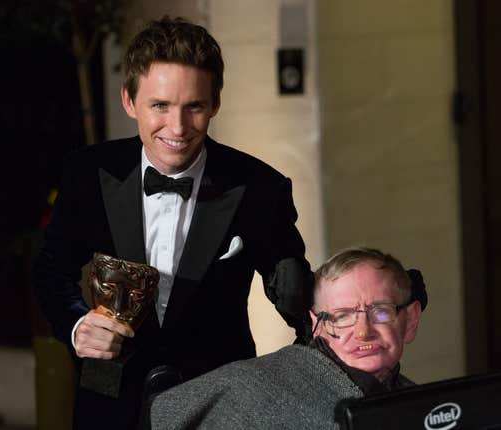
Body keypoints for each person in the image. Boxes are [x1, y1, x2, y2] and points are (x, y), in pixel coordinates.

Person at [32, 16, 313, 428]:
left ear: (215, 103)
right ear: (130, 101)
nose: (178, 128)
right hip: (109, 401)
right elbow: (49, 270)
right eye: (159, 105)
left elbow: (295, 292)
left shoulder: (260, 188)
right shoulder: (87, 172)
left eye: (194, 107)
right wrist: (77, 324)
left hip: (220, 401)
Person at [150, 247, 427, 429]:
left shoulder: (430, 409)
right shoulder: (252, 388)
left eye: (380, 312)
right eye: (342, 316)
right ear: (316, 325)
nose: (363, 331)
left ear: (411, 319)